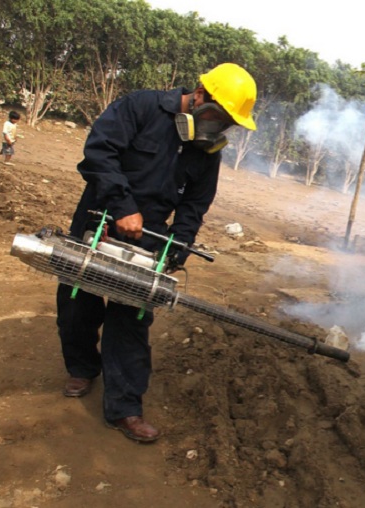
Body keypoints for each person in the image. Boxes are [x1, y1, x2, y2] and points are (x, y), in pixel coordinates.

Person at [56, 63, 257, 443]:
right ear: (199, 95)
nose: (219, 129)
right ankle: (82, 366)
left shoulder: (206, 153)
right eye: (219, 117)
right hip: (100, 217)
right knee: (77, 301)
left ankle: (125, 408)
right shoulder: (140, 107)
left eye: (228, 124)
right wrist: (122, 207)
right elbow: (99, 152)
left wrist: (176, 247)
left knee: (131, 318)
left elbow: (195, 205)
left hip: (150, 236)